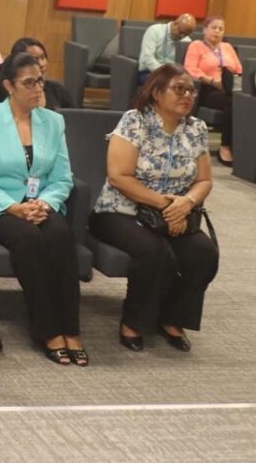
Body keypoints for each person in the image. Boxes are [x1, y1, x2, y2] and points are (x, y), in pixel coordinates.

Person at [0, 53, 87, 366]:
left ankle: (71, 327)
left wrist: (44, 203)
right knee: (29, 239)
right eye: (29, 83)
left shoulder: (53, 122)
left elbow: (62, 177)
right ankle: (47, 329)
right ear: (9, 86)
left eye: (40, 81)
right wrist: (13, 207)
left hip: (40, 204)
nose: (37, 88)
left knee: (61, 236)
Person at [89, 64, 218, 354]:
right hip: (121, 211)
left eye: (191, 90)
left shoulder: (196, 128)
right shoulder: (135, 121)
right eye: (179, 89)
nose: (187, 95)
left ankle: (173, 319)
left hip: (176, 212)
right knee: (153, 252)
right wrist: (167, 206)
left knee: (203, 252)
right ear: (157, 92)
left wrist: (186, 203)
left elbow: (204, 180)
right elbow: (119, 176)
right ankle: (134, 322)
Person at [184, 15, 242, 166]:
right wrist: (213, 81)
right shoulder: (196, 45)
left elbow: (238, 69)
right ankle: (225, 146)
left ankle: (241, 148)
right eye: (214, 27)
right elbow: (190, 69)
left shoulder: (227, 47)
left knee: (241, 101)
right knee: (231, 102)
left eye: (220, 29)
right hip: (207, 89)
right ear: (205, 30)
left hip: (229, 87)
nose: (217, 31)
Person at [0, 38, 74, 110]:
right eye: (34, 59)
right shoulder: (1, 89)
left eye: (43, 57)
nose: (41, 64)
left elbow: (75, 119)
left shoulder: (57, 89)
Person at [138, 13, 197, 82]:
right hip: (150, 71)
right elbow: (147, 58)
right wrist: (164, 73)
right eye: (181, 32)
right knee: (167, 83)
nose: (182, 36)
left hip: (174, 75)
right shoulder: (155, 31)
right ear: (175, 24)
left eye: (186, 34)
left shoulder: (186, 40)